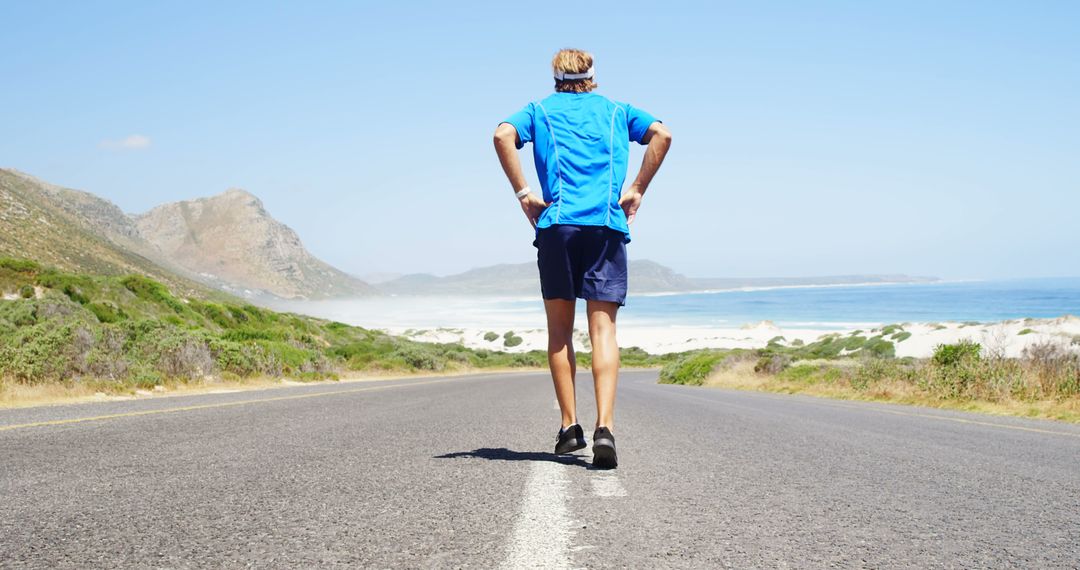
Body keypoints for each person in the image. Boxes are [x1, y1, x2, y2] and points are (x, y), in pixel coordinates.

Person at [493, 49, 672, 468]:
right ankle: (604, 428)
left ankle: (570, 427)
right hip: (606, 226)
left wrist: (523, 194)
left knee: (560, 332)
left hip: (557, 226)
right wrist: (638, 188)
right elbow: (662, 134)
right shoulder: (617, 111)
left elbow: (502, 135)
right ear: (593, 76)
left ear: (555, 77)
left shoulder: (538, 110)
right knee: (603, 331)